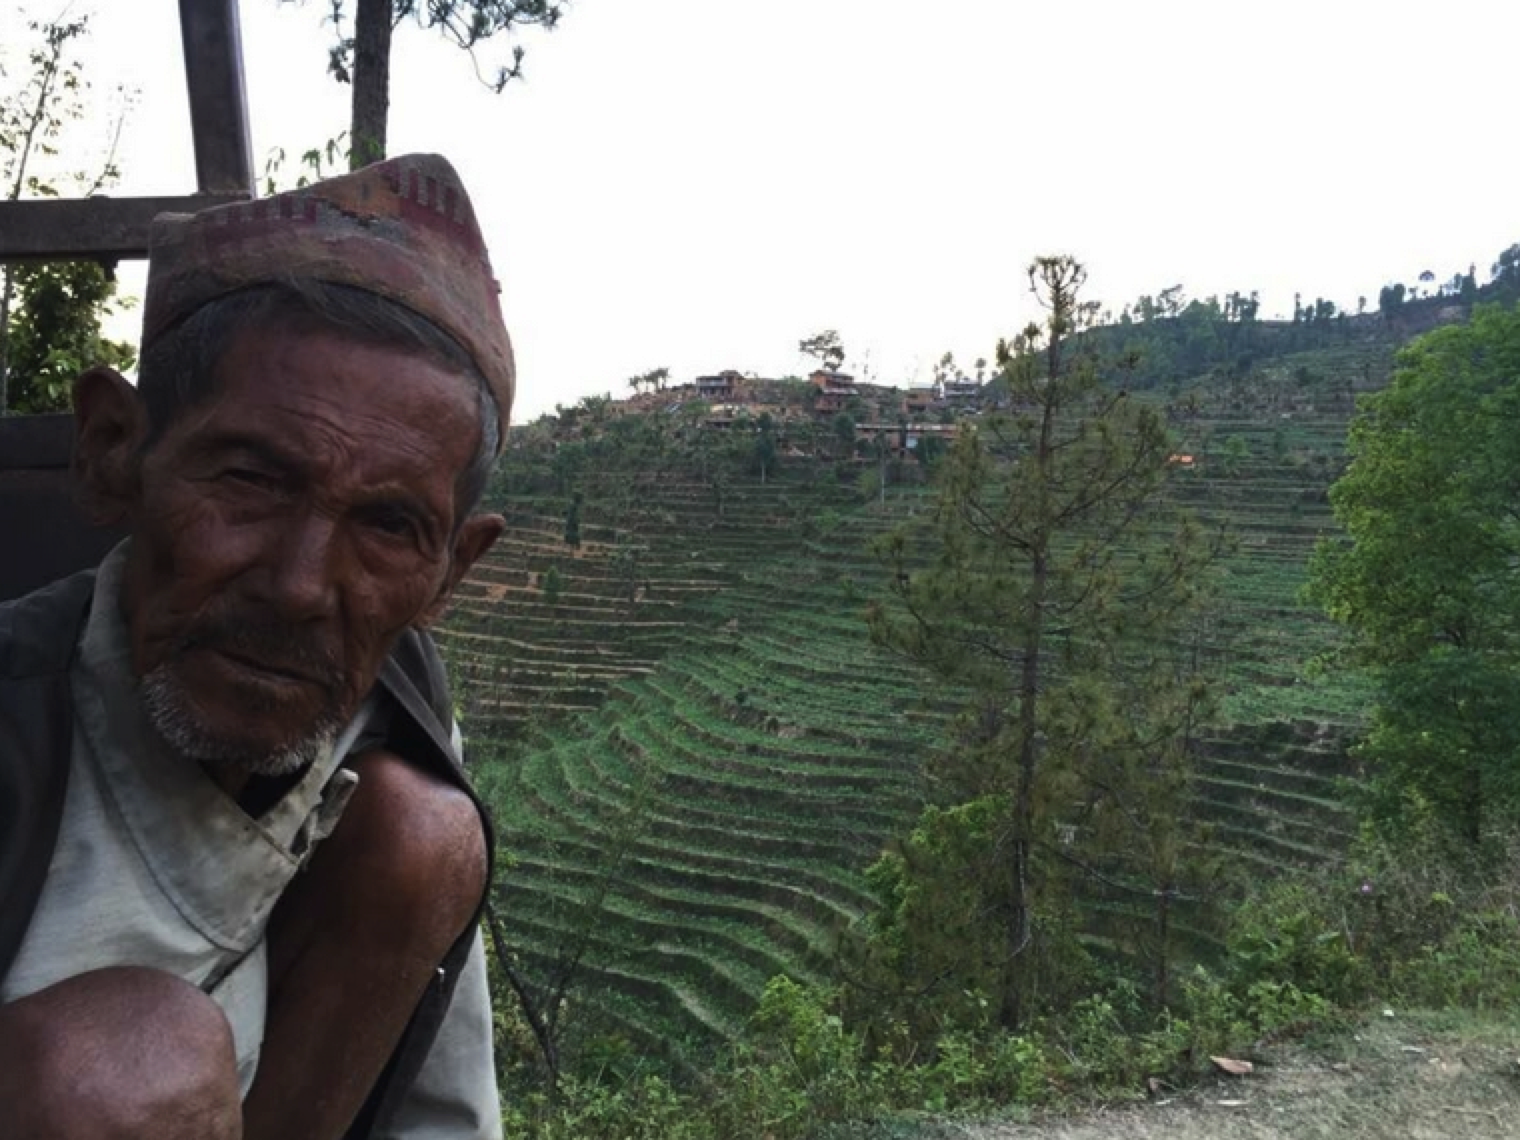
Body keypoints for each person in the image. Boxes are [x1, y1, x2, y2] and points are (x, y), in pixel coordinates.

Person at [0, 154, 512, 1139]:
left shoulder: (397, 719)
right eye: (250, 479)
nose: (301, 586)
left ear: (450, 572)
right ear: (112, 450)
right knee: (123, 1071)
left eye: (388, 526)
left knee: (428, 835)